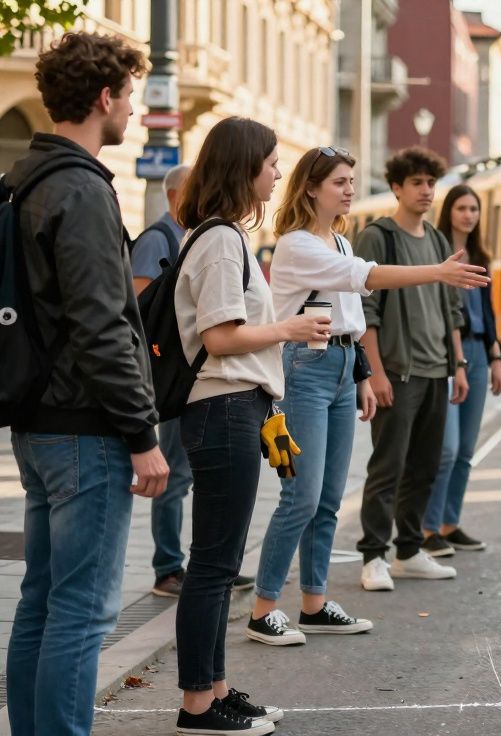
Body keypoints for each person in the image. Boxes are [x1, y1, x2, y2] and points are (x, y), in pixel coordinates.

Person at [248, 148, 488, 645]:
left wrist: (359, 376)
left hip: (337, 367)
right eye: (340, 181)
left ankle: (313, 603)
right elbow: (368, 278)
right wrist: (436, 273)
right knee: (301, 497)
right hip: (304, 369)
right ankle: (263, 609)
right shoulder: (295, 245)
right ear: (312, 188)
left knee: (330, 499)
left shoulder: (336, 239)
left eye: (352, 180)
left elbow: (351, 317)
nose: (350, 189)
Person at [5, 32, 168, 736]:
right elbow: (102, 327)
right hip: (86, 426)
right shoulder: (82, 189)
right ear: (105, 97)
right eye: (129, 95)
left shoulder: (23, 180)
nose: (131, 109)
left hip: (36, 420)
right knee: (82, 610)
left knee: (42, 599)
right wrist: (142, 433)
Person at [171, 116, 328, 733]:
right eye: (270, 162)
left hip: (237, 410)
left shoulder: (224, 237)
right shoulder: (218, 241)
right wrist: (289, 329)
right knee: (212, 564)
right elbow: (219, 336)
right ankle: (196, 706)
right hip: (223, 410)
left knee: (220, 557)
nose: (278, 173)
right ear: (244, 168)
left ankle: (215, 689)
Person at [355, 147, 471, 591]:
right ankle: (373, 555)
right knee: (388, 465)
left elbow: (452, 308)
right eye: (417, 183)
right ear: (397, 188)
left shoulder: (439, 242)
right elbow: (367, 311)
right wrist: (376, 372)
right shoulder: (378, 237)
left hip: (435, 370)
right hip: (397, 371)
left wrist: (457, 365)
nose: (426, 191)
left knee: (426, 465)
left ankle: (407, 550)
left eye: (430, 183)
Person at [131, 164, 210, 600]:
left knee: (192, 474)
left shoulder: (188, 238)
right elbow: (140, 314)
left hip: (190, 375)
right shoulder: (157, 240)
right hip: (168, 379)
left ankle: (200, 565)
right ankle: (167, 568)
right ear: (179, 195)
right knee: (175, 475)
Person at [421, 184, 501, 557]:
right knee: (446, 448)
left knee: (466, 449)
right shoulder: (439, 254)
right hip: (447, 353)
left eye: (474, 208)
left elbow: (487, 313)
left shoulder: (481, 255)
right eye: (462, 208)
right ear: (449, 212)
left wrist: (496, 357)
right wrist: (458, 361)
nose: (469, 215)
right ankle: (427, 528)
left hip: (478, 351)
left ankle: (449, 524)